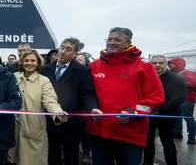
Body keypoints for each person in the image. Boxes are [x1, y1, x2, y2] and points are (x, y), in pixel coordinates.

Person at [87, 27, 164, 165]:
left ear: (129, 43)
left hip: (130, 132)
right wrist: (92, 108)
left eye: (117, 39)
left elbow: (156, 96)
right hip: (100, 130)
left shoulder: (143, 65)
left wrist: (133, 112)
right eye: (109, 39)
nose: (111, 42)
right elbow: (88, 94)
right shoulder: (94, 65)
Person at [40, 37, 98, 165]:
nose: (63, 51)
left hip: (71, 123)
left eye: (68, 49)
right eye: (62, 47)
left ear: (75, 53)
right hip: (50, 122)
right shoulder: (45, 69)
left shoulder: (83, 71)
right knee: (52, 156)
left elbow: (88, 95)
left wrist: (92, 108)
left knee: (71, 156)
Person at [8, 50, 67, 165]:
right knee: (11, 159)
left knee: (31, 161)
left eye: (32, 60)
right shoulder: (13, 77)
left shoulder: (44, 81)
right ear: (21, 62)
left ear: (38, 63)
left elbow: (50, 101)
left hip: (33, 128)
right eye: (26, 60)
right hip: (12, 128)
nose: (29, 63)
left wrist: (58, 112)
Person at [143, 55, 186, 165]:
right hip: (149, 115)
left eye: (160, 63)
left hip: (167, 116)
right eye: (154, 63)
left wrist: (159, 110)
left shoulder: (177, 78)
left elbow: (178, 97)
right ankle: (148, 162)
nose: (157, 65)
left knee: (167, 143)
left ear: (166, 64)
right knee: (148, 142)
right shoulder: (146, 77)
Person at [169, 57, 196, 144]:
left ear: (178, 64)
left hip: (188, 99)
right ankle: (178, 133)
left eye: (172, 64)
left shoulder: (187, 73)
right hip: (178, 99)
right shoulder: (174, 74)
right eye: (169, 64)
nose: (170, 65)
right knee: (177, 117)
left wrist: (178, 82)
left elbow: (192, 84)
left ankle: (191, 137)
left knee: (188, 118)